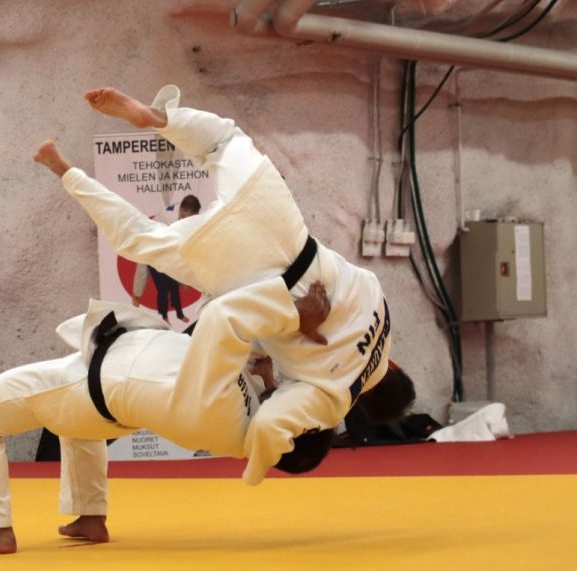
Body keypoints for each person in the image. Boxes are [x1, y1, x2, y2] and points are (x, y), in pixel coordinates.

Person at [33, 84, 414, 476]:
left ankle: (159, 118)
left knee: (223, 140)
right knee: (138, 239)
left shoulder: (380, 305)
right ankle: (65, 171)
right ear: (361, 404)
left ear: (395, 366)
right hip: (240, 274)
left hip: (284, 227)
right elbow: (270, 421)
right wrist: (256, 465)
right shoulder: (334, 398)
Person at [0, 285, 334, 555]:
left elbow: (221, 316)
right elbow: (234, 348)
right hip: (106, 399)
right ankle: (90, 516)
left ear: (285, 431)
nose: (297, 397)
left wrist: (294, 316)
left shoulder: (226, 414)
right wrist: (270, 368)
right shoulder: (246, 414)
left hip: (87, 384)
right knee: (75, 427)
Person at [131, 195, 202, 324]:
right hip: (152, 241)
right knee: (143, 270)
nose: (191, 220)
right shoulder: (170, 219)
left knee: (174, 286)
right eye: (190, 217)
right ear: (183, 210)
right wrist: (183, 279)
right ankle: (136, 295)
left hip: (163, 242)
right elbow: (174, 252)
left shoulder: (184, 214)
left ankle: (179, 314)